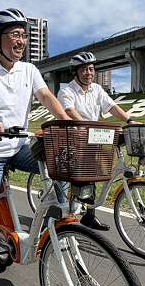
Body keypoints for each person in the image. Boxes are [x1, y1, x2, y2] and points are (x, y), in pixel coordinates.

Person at [0, 8, 70, 286]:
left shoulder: (29, 70)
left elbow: (46, 97)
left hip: (19, 145)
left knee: (60, 166)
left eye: (24, 35)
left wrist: (64, 120)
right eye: (15, 34)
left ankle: (57, 230)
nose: (21, 41)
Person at [57, 51, 137, 230]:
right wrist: (88, 127)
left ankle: (89, 217)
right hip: (75, 138)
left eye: (91, 69)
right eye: (84, 69)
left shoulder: (97, 89)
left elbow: (112, 107)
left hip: (93, 137)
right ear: (76, 72)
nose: (89, 73)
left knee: (93, 175)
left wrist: (129, 120)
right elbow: (70, 112)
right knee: (81, 178)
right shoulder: (66, 91)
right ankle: (70, 213)